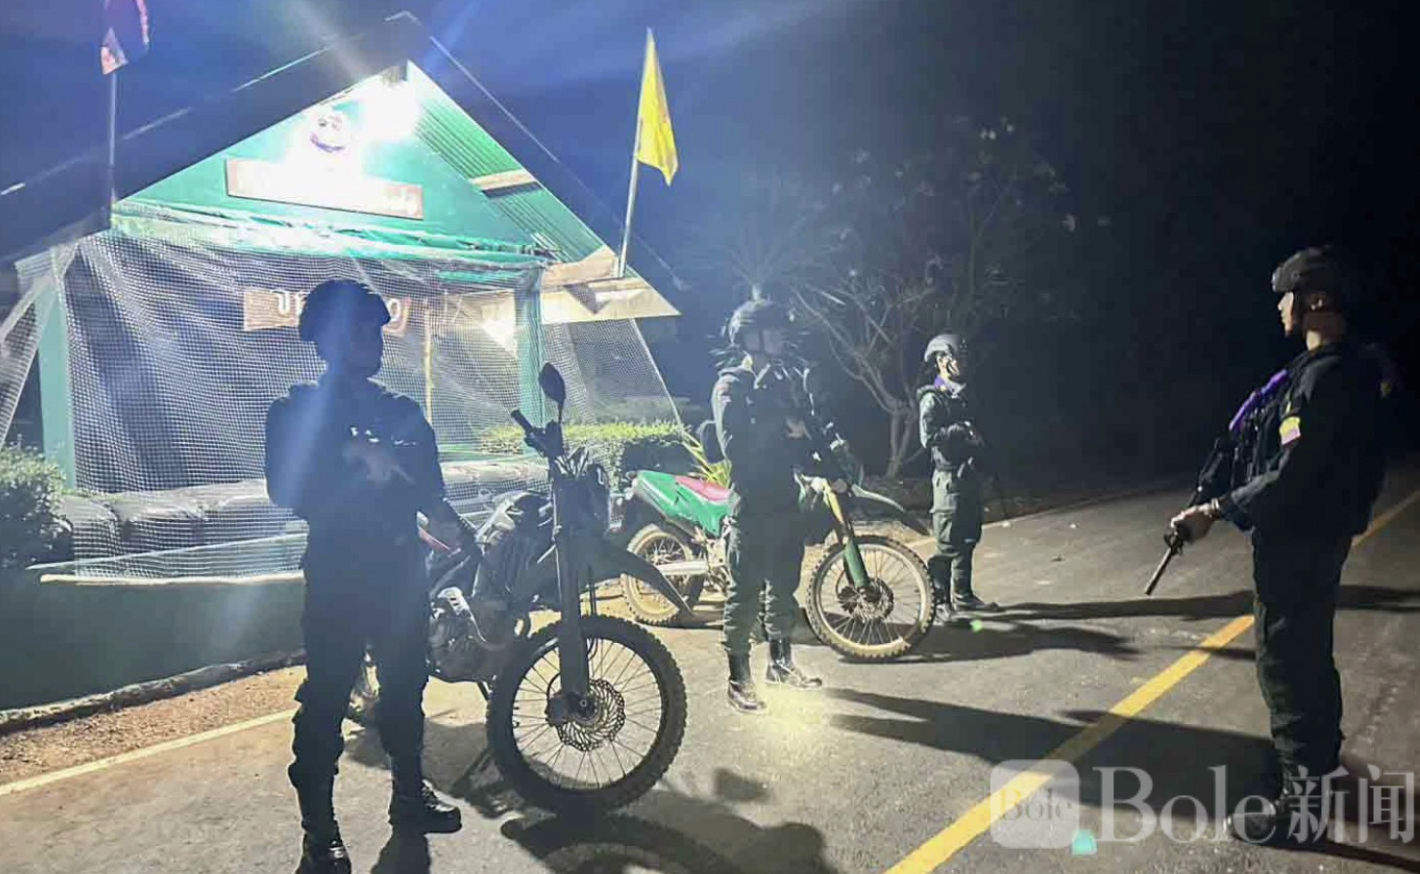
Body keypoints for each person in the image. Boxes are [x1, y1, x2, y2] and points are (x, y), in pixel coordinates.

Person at [1168, 247, 1386, 845]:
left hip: (1300, 541)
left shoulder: (1326, 378)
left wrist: (1215, 510)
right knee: (1308, 658)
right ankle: (1313, 771)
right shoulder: (1327, 370)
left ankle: (1303, 810)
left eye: (1286, 296)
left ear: (1316, 299)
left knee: (1288, 667)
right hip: (1311, 538)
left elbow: (1292, 474)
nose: (1280, 308)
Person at [265, 279, 470, 874]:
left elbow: (430, 489)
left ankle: (408, 797)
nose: (371, 339)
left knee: (406, 686)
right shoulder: (295, 412)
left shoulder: (402, 411)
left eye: (375, 329)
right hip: (338, 571)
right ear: (325, 340)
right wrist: (347, 457)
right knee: (328, 695)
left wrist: (448, 519)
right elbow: (285, 490)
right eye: (357, 329)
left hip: (401, 569)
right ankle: (319, 833)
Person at [712, 298, 824, 714]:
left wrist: (824, 466)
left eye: (779, 329)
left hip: (783, 500)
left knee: (783, 586)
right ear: (750, 337)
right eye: (771, 330)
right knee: (744, 592)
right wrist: (781, 426)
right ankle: (738, 679)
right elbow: (733, 446)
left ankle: (780, 663)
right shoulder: (730, 387)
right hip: (751, 505)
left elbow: (802, 434)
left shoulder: (780, 382)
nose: (780, 336)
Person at [917, 333, 999, 614]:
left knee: (968, 537)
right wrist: (959, 430)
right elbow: (927, 438)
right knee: (948, 542)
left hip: (968, 474)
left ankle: (963, 595)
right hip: (948, 479)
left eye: (965, 357)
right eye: (958, 358)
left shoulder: (963, 394)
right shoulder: (933, 398)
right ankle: (941, 603)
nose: (964, 363)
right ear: (942, 361)